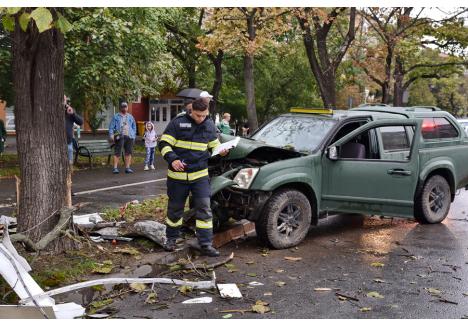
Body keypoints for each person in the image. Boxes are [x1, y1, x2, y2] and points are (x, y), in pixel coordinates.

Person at [158, 98, 228, 257]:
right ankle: (171, 239)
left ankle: (205, 244)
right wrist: (173, 159)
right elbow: (163, 144)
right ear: (191, 111)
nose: (201, 119)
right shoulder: (178, 123)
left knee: (204, 209)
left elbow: (214, 146)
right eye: (198, 115)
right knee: (175, 209)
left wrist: (222, 150)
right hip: (177, 176)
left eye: (204, 115)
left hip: (200, 176)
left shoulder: (209, 125)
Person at [108, 101, 136, 174]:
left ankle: (127, 168)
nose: (124, 108)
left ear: (127, 107)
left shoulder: (130, 116)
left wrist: (133, 135)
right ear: (120, 108)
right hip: (119, 136)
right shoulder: (116, 116)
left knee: (128, 152)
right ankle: (115, 168)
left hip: (129, 136)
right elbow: (111, 127)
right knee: (117, 152)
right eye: (123, 106)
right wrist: (111, 135)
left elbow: (134, 126)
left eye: (125, 106)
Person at [64, 96, 83, 164]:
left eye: (64, 100)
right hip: (56, 144)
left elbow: (80, 122)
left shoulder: (70, 110)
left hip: (68, 143)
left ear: (66, 101)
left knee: (69, 166)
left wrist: (73, 114)